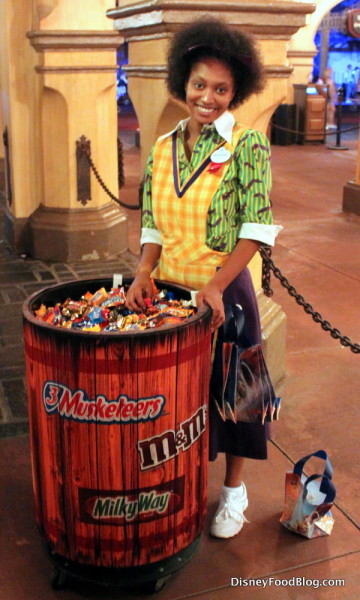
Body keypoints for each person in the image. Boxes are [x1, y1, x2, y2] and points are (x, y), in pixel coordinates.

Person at [126, 17, 282, 539]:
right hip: (171, 298)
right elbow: (151, 220)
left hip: (224, 295)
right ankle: (180, 480)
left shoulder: (248, 147)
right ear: (182, 83)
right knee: (177, 400)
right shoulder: (163, 147)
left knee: (238, 397)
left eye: (220, 88)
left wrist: (216, 284)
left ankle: (233, 494)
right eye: (199, 84)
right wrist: (145, 270)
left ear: (235, 90)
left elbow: (256, 228)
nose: (207, 97)